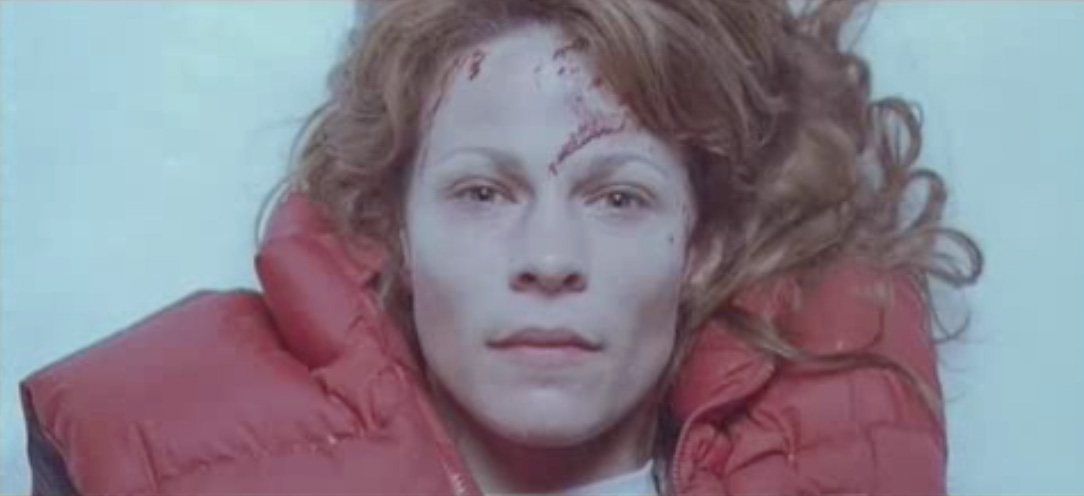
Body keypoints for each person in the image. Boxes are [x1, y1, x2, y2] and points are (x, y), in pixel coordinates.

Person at [20, 0, 982, 495]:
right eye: (483, 193)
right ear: (393, 229)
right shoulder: (141, 457)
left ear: (703, 242)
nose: (549, 258)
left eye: (617, 197)